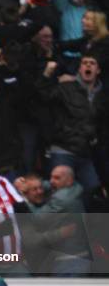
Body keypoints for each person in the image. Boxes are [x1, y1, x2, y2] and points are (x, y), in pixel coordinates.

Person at [36, 56, 103, 195]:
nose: (88, 66)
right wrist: (47, 74)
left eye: (92, 63)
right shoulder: (66, 87)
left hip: (86, 152)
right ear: (80, 68)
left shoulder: (103, 95)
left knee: (91, 189)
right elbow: (42, 96)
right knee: (61, 191)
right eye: (84, 63)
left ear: (98, 70)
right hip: (63, 149)